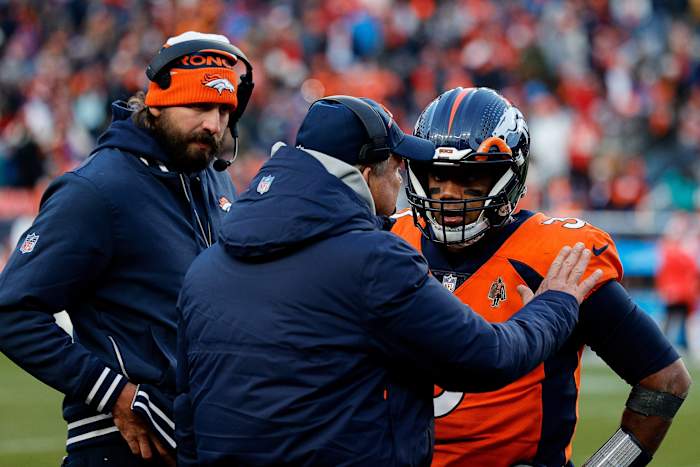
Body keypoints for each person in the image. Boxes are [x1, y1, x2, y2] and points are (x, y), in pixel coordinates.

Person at [175, 94, 603, 466]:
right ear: (364, 175)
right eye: (396, 167)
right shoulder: (374, 259)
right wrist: (556, 305)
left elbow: (188, 416)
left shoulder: (205, 268)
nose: (403, 178)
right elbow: (487, 357)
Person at [392, 86, 692, 467]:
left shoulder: (556, 256)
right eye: (437, 174)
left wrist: (607, 464)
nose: (449, 193)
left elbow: (665, 381)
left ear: (508, 176)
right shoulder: (389, 240)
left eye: (472, 177)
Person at [0, 31, 254, 466]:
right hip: (123, 446)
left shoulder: (213, 177)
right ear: (156, 103)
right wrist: (114, 393)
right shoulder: (97, 190)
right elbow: (11, 310)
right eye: (198, 106)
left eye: (222, 110)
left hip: (205, 439)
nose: (213, 124)